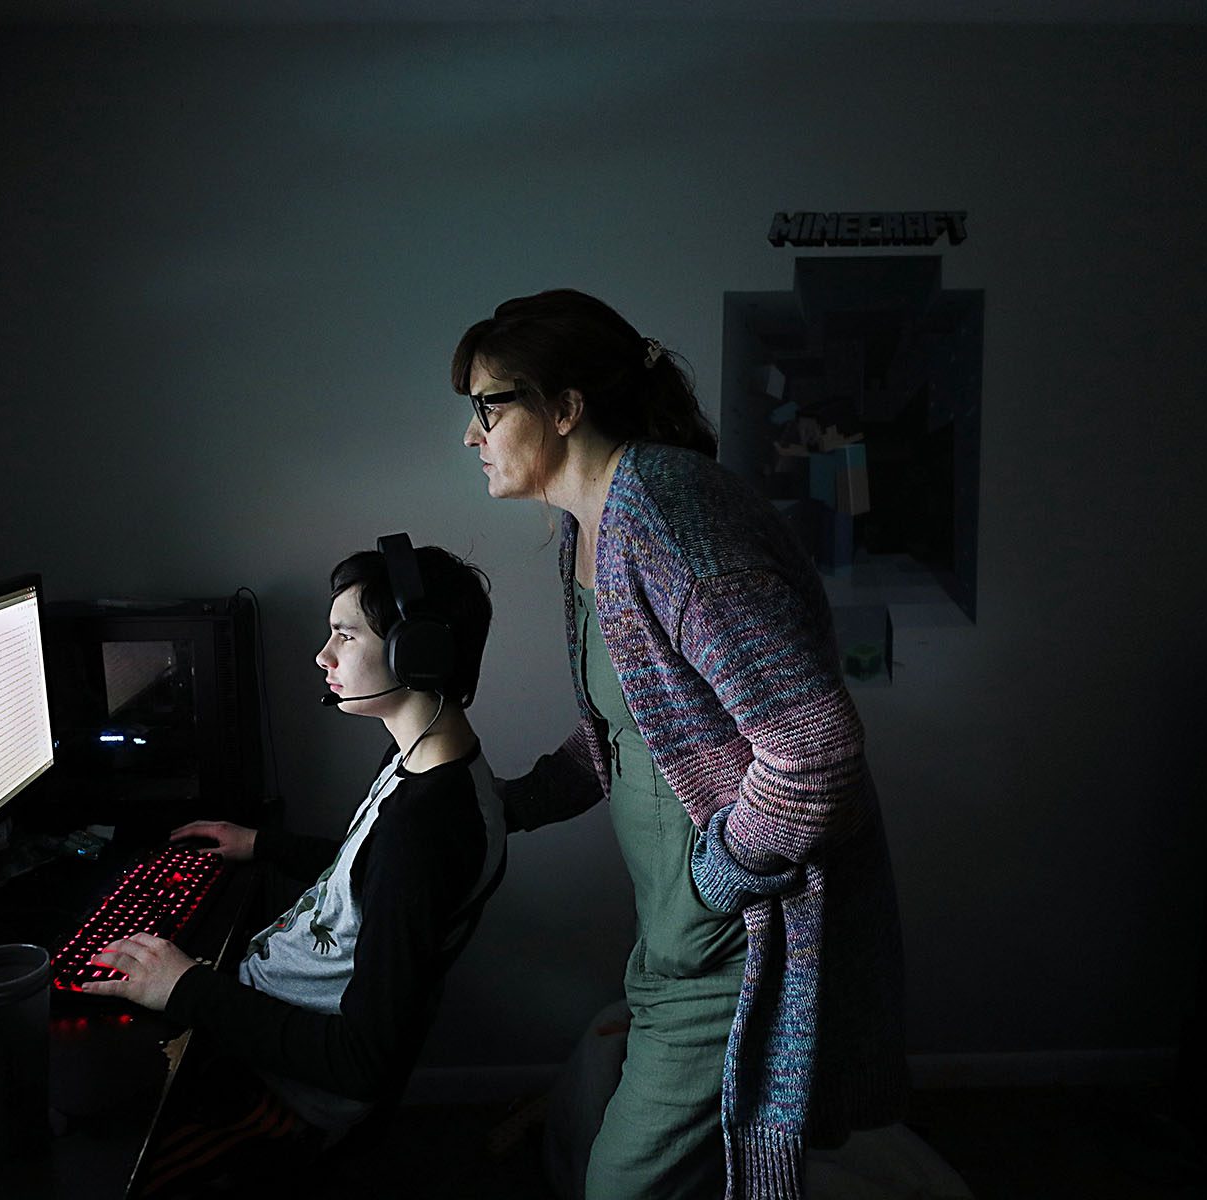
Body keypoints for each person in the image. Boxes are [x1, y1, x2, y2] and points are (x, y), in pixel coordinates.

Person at [453, 289, 907, 1200]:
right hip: (675, 935)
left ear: (565, 407)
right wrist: (503, 806)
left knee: (627, 1186)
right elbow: (631, 730)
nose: (473, 435)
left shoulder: (664, 513)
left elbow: (814, 748)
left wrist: (719, 879)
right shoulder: (587, 529)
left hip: (738, 940)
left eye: (488, 406)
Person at [84, 540, 505, 1194]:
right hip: (264, 1035)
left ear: (413, 654)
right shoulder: (427, 764)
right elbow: (365, 877)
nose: (323, 656)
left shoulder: (427, 830)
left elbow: (363, 1062)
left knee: (97, 1155)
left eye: (344, 635)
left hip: (288, 1101)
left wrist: (187, 988)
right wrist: (262, 844)